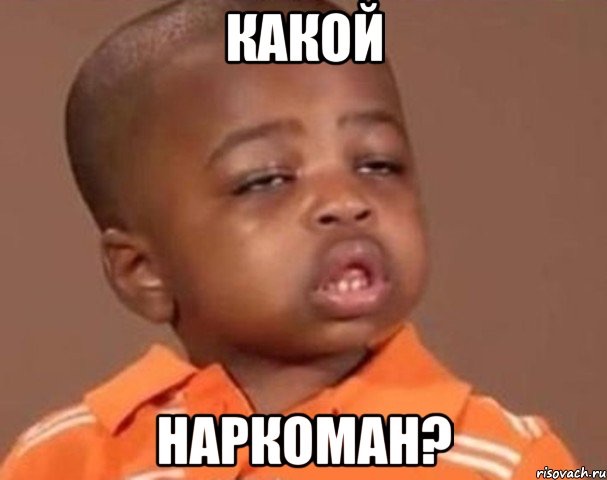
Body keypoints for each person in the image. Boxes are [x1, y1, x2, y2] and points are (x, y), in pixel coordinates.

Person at [0, 0, 577, 478]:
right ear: (143, 272)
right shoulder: (63, 459)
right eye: (267, 179)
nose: (345, 200)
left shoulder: (513, 460)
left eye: (377, 164)